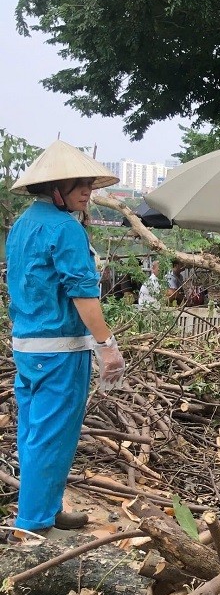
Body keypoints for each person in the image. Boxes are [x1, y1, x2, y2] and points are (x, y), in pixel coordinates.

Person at [6, 140, 125, 535]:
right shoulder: (65, 229)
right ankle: (34, 523)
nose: (89, 191)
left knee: (34, 431)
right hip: (60, 350)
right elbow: (82, 294)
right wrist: (107, 346)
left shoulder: (21, 225)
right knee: (52, 434)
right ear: (58, 187)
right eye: (82, 185)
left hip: (26, 347)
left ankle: (47, 507)